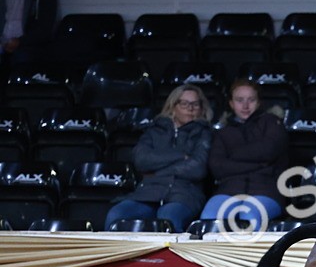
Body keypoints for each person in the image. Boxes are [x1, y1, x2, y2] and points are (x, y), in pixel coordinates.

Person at [106, 84, 213, 233]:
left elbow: (197, 167)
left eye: (195, 104)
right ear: (173, 106)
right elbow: (141, 160)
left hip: (185, 194)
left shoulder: (204, 133)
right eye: (184, 103)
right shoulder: (154, 131)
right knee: (117, 214)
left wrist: (157, 171)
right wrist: (180, 156)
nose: (190, 108)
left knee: (168, 217)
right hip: (148, 192)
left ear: (201, 108)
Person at [200, 79, 287, 231]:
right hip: (228, 191)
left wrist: (232, 156)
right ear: (231, 103)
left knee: (249, 216)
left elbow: (268, 151)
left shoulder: (272, 123)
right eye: (240, 100)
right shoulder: (223, 132)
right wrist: (261, 164)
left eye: (251, 100)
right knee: (209, 218)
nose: (245, 106)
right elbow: (218, 167)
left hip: (266, 191)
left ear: (258, 102)